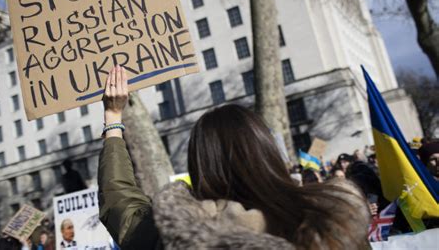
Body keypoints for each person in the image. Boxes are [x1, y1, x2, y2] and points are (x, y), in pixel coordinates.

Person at [98, 66, 370, 249]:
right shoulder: (336, 219)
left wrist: (113, 117)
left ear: (200, 165)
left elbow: (118, 199)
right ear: (267, 153)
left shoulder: (173, 232)